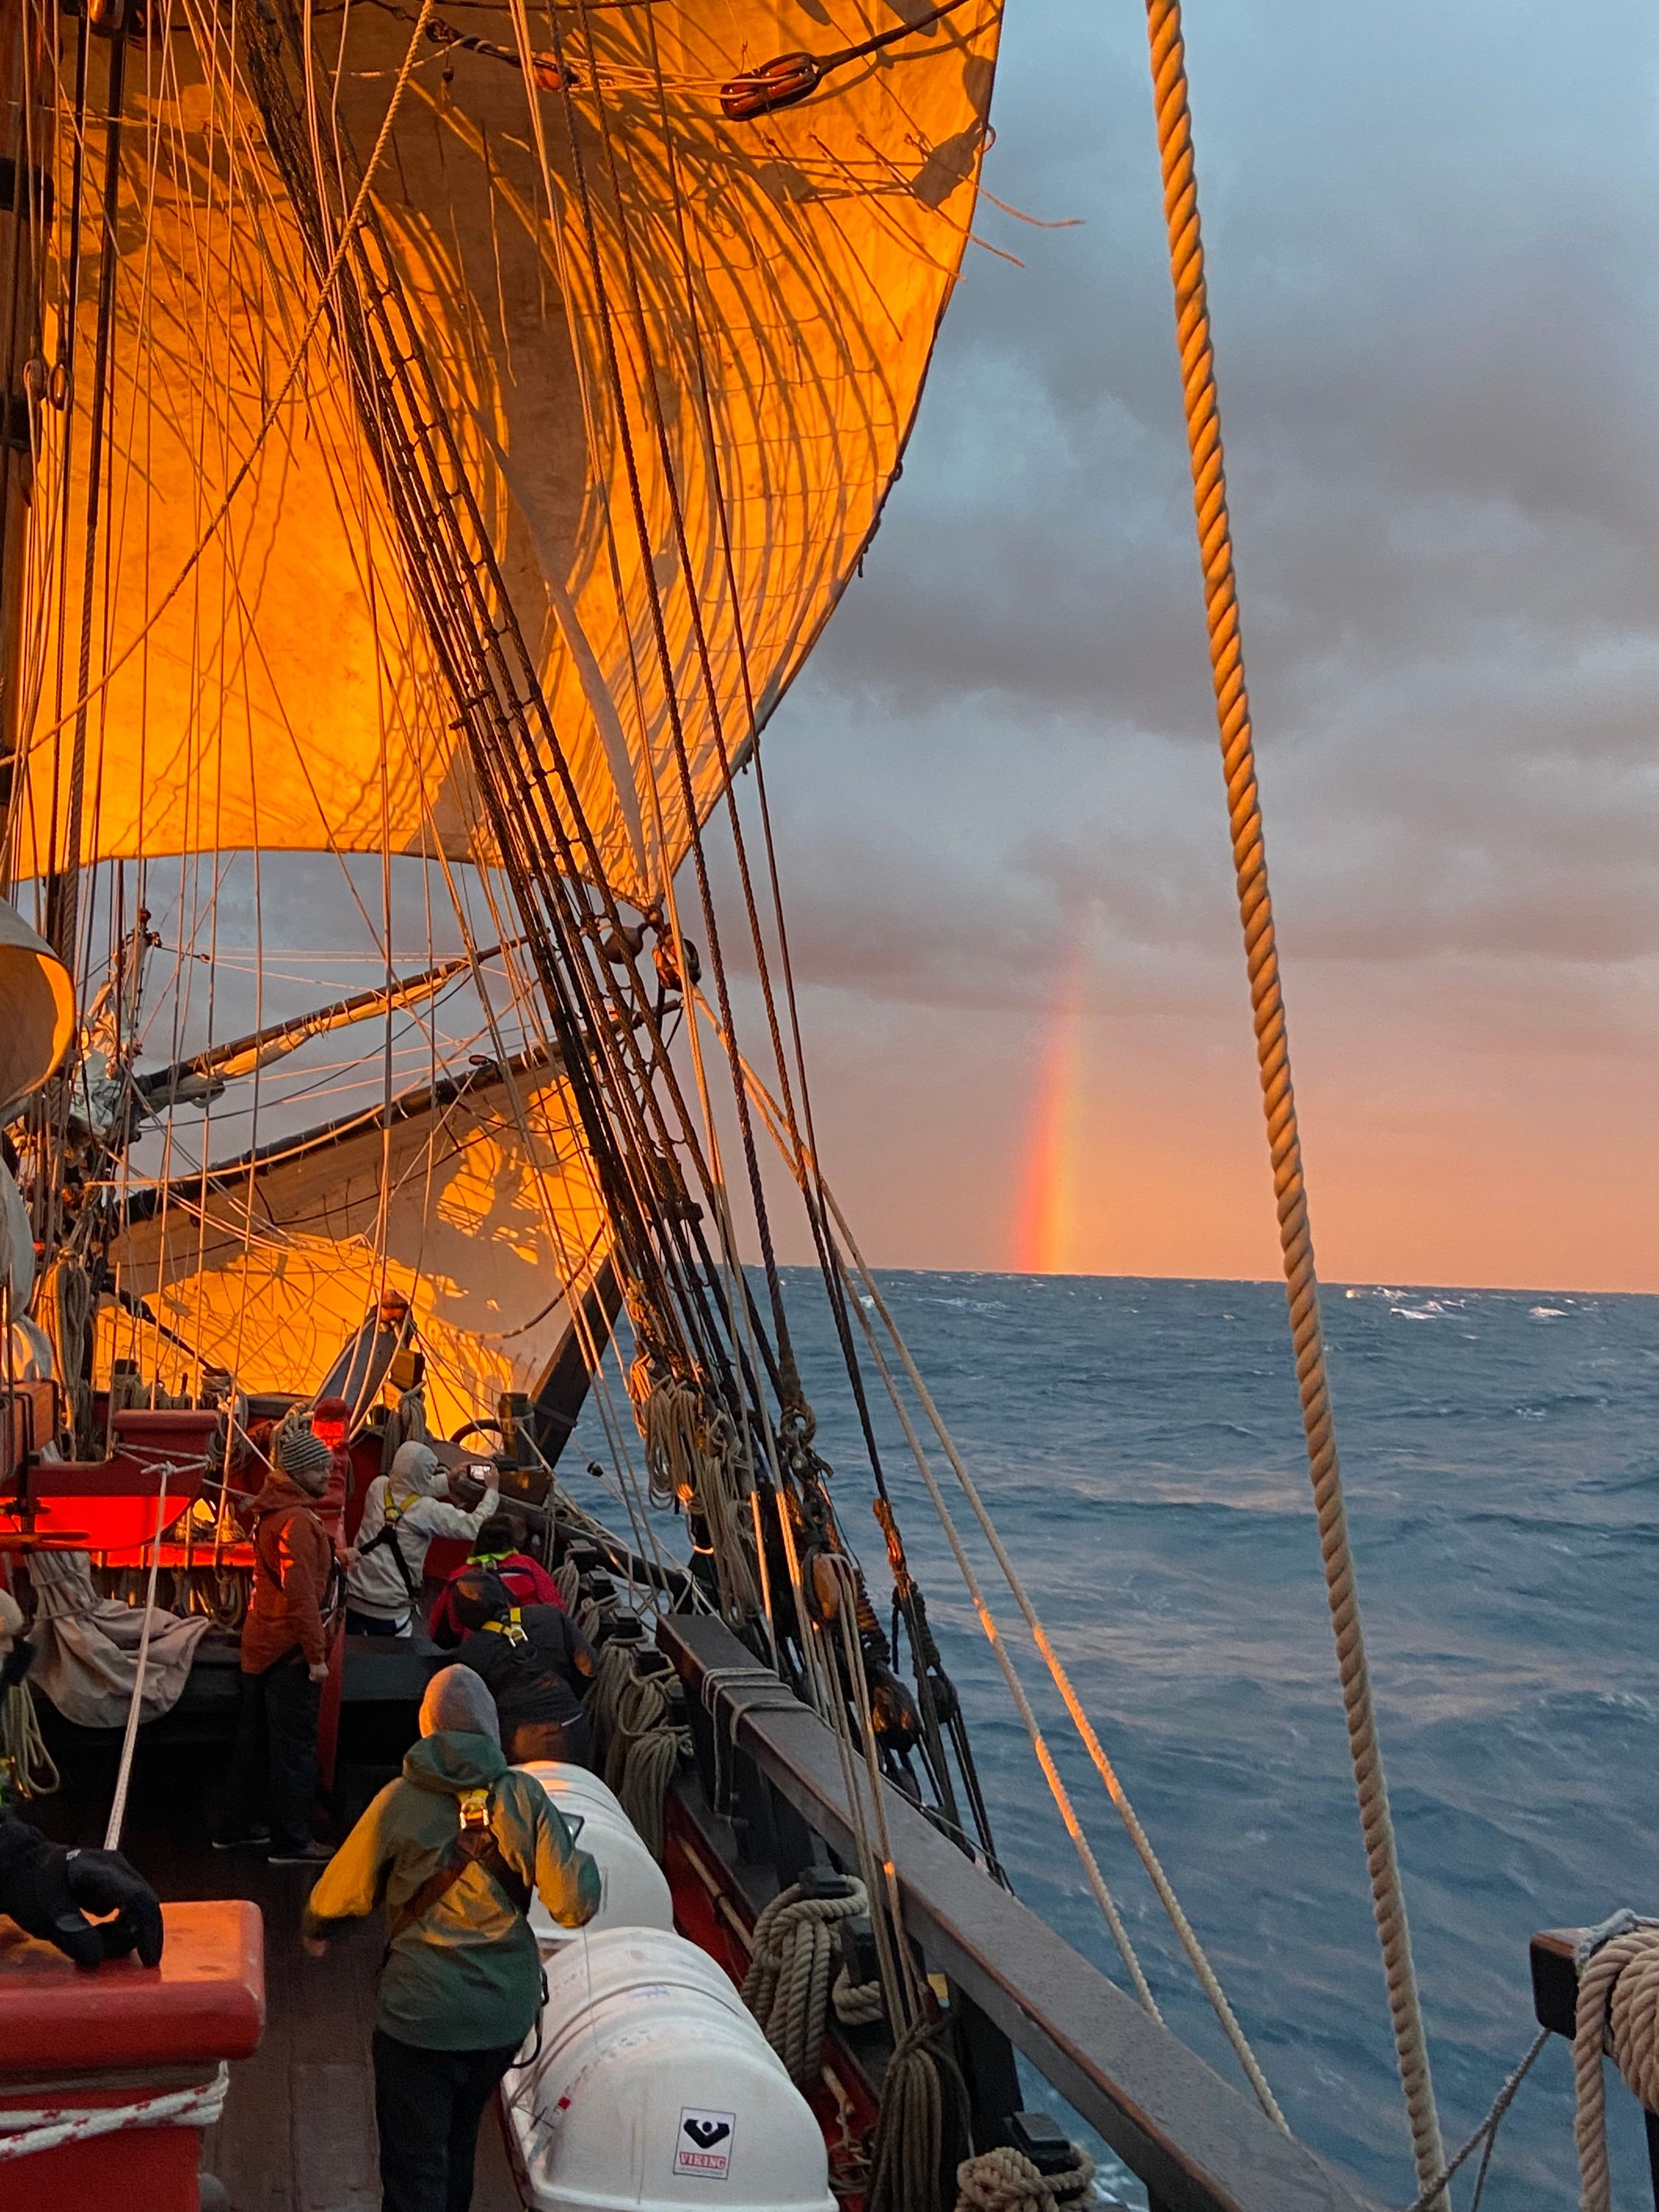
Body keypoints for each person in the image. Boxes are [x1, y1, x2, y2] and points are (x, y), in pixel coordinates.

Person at [302, 1664, 599, 2212]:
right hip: (500, 2020)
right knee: (459, 2141)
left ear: (427, 1728)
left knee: (415, 2166)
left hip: (421, 2019)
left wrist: (317, 1930)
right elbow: (574, 1903)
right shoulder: (525, 1797)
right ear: (491, 1727)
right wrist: (578, 1862)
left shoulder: (398, 1800)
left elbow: (337, 1893)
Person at [215, 1422, 338, 1863]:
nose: (327, 1476)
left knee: (253, 1745)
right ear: (298, 1473)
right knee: (294, 1750)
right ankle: (292, 1841)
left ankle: (233, 1828)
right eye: (319, 1470)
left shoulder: (273, 1513)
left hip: (260, 1646)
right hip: (289, 1652)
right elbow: (301, 1592)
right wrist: (316, 1656)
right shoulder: (299, 1522)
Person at [347, 1441, 499, 1638]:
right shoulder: (427, 1510)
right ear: (424, 1474)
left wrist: (448, 1480)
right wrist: (492, 1492)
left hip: (353, 1598)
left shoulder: (378, 1487)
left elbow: (406, 1488)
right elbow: (475, 1526)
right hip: (390, 1609)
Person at [448, 1570, 598, 1767]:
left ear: (463, 1616)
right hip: (575, 1726)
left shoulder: (467, 1656)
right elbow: (590, 1667)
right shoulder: (551, 1615)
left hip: (523, 1744)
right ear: (503, 1596)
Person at [428, 1509, 562, 1648]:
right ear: (511, 1542)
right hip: (531, 1648)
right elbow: (555, 1608)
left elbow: (439, 1631)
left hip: (481, 1652)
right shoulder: (528, 1566)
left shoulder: (459, 1577)